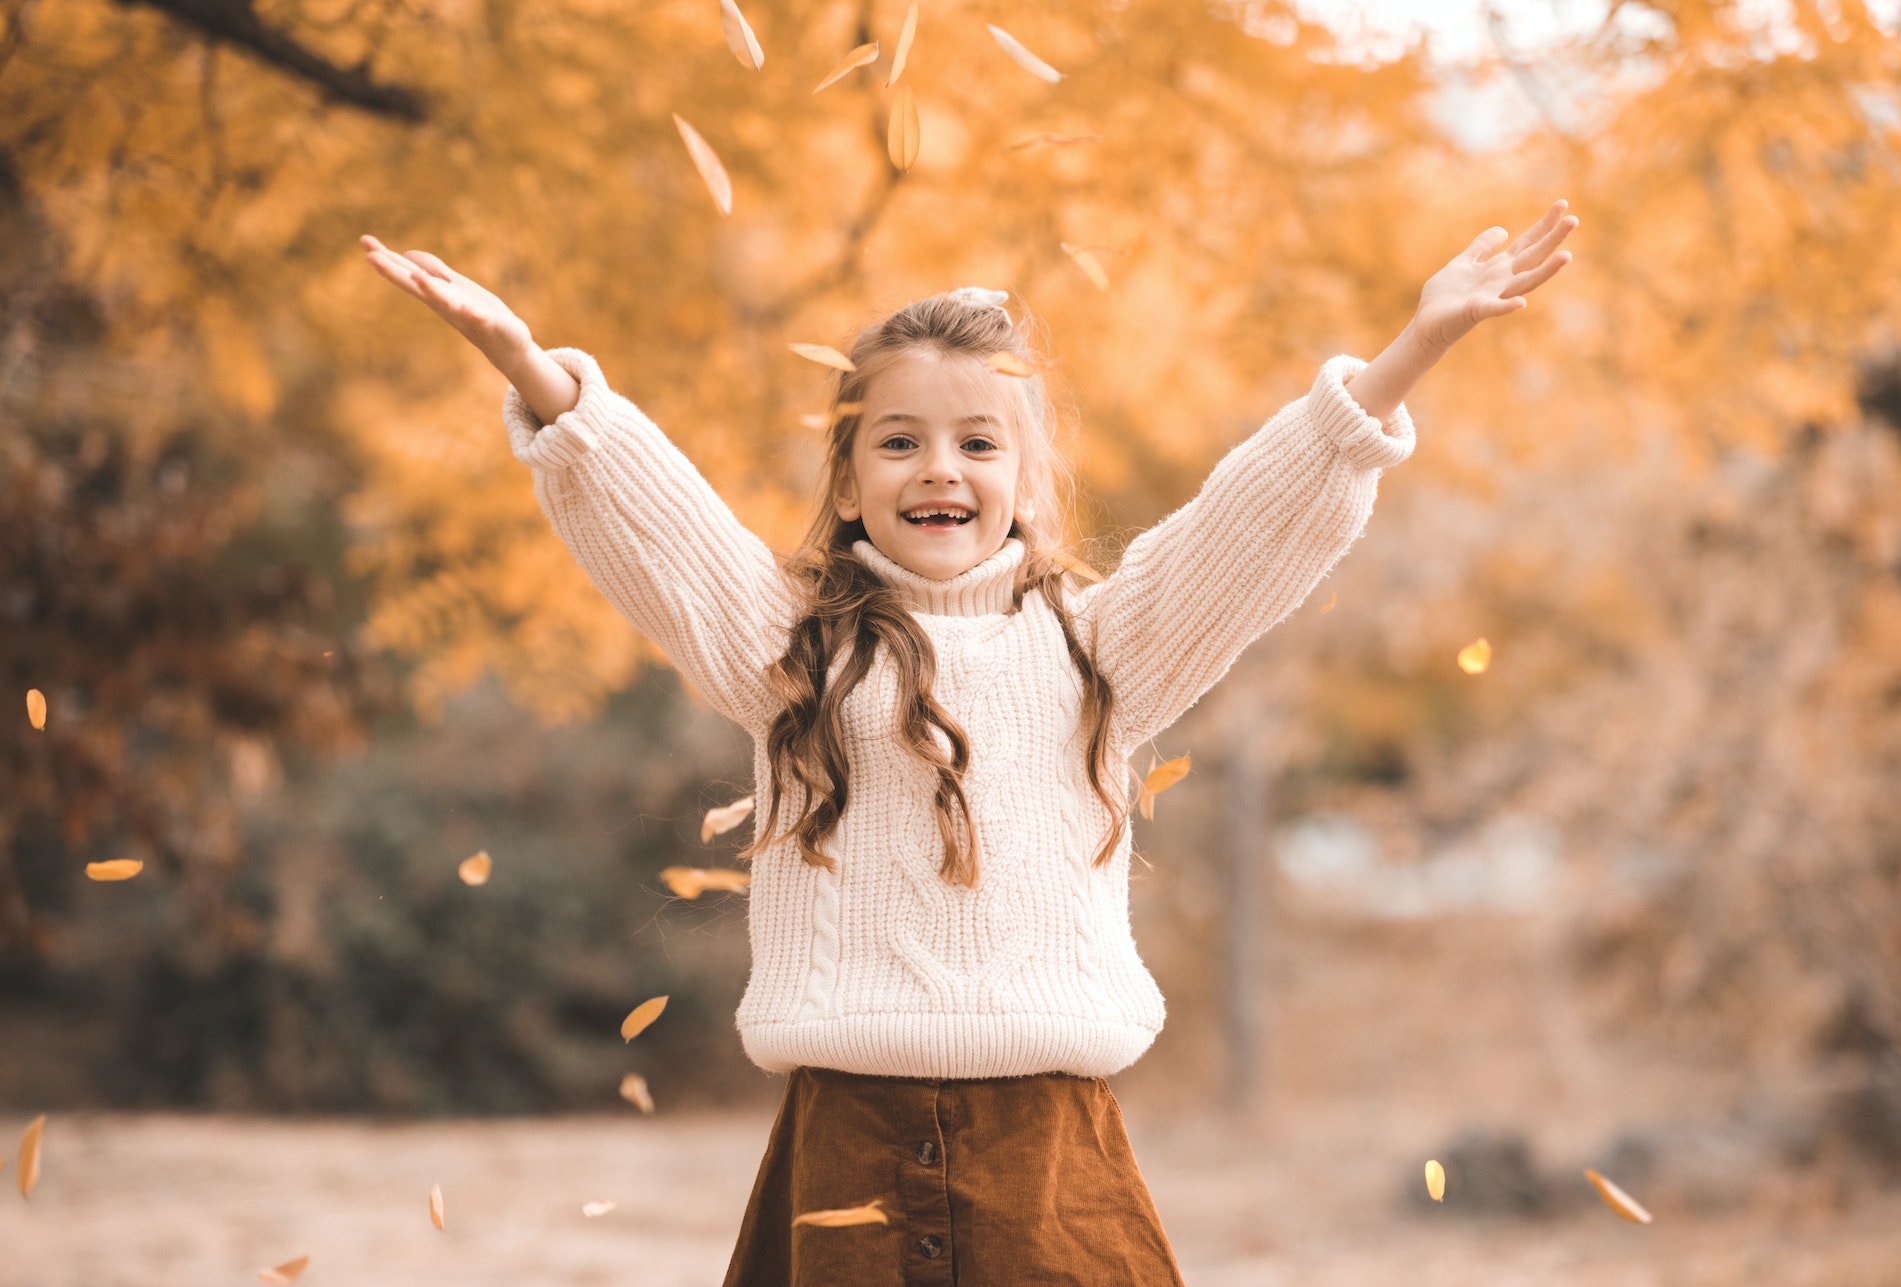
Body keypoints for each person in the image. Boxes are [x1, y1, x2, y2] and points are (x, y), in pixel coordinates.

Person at [360, 202, 1576, 1286]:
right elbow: (656, 523)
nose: (938, 468)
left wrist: (1412, 350)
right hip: (843, 1153)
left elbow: (1253, 521)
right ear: (845, 480)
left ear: (1028, 482)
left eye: (976, 443)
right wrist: (535, 373)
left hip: (1051, 1168)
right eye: (897, 441)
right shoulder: (793, 658)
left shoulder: (1103, 653)